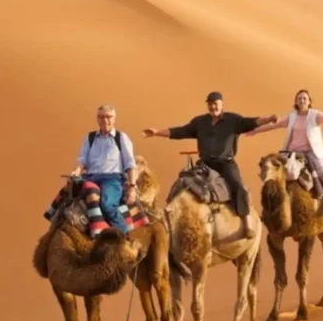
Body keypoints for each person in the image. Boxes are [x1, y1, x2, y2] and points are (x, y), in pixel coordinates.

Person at [141, 91, 278, 238]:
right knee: (183, 182)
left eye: (216, 103)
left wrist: (269, 119)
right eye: (210, 104)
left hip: (226, 163)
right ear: (207, 105)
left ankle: (246, 221)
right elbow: (179, 131)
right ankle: (171, 218)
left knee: (238, 186)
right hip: (205, 164)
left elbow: (252, 122)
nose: (213, 107)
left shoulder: (233, 120)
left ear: (221, 104)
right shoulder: (200, 122)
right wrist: (156, 132)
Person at [244, 89, 323, 218]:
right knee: (272, 171)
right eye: (299, 98)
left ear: (309, 102)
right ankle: (269, 207)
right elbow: (274, 125)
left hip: (311, 152)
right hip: (292, 153)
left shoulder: (315, 115)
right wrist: (256, 131)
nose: (302, 100)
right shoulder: (291, 116)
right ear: (296, 101)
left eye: (304, 98)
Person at [70, 104, 138, 233]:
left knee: (107, 206)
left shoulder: (121, 138)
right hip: (90, 177)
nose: (105, 120)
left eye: (108, 117)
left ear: (114, 118)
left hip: (112, 179)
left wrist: (132, 187)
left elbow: (130, 164)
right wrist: (76, 171)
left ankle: (126, 236)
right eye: (101, 117)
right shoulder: (89, 138)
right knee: (68, 200)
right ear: (97, 119)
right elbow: (82, 160)